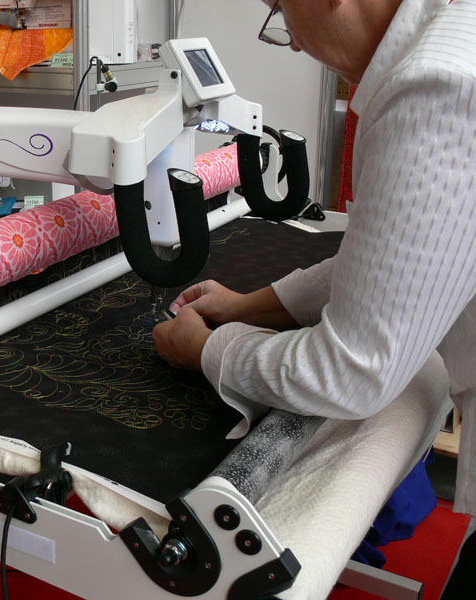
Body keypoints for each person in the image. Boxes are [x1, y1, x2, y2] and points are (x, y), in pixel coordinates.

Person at [153, 0, 476, 596]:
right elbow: (395, 258)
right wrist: (248, 304)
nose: (294, 42)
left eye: (280, 9)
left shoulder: (437, 89)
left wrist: (205, 349)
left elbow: (351, 371)